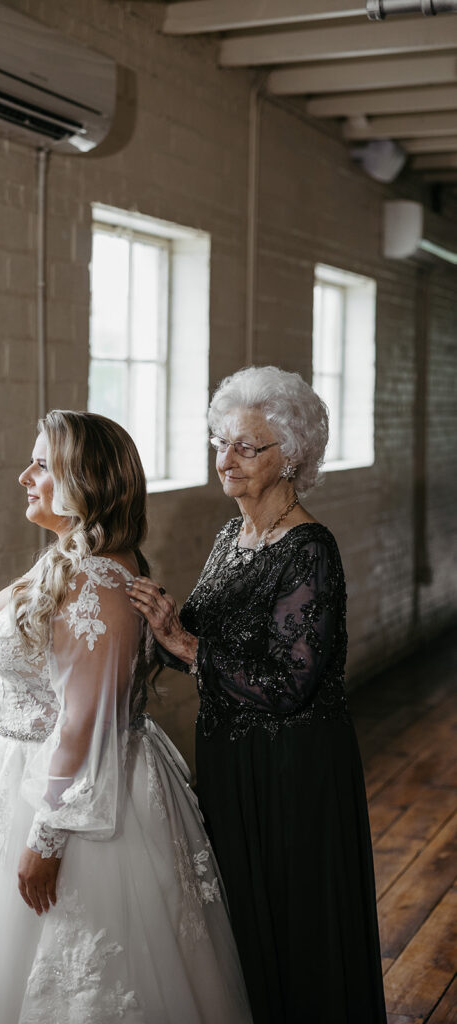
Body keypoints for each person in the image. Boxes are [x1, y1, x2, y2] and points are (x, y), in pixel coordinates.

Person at [0, 409, 252, 1024]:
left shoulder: (97, 581)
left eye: (43, 465)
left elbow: (83, 721)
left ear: (86, 481)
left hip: (70, 799)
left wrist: (46, 838)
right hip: (17, 778)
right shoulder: (71, 560)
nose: (25, 475)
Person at [127, 366, 387, 1024]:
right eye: (220, 443)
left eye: (246, 447)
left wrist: (182, 643)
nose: (226, 460)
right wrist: (151, 628)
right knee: (239, 929)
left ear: (292, 454)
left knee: (296, 929)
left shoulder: (309, 550)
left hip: (293, 771)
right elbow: (198, 648)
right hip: (228, 763)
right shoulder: (229, 537)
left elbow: (287, 683)